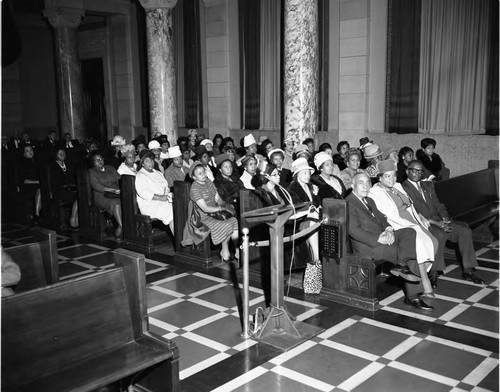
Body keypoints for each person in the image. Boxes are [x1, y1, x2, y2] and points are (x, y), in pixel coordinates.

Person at [347, 172, 433, 311]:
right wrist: (378, 238)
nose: (365, 186)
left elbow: (381, 218)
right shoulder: (349, 203)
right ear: (353, 186)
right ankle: (413, 297)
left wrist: (388, 230)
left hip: (383, 236)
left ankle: (401, 265)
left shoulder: (369, 200)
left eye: (368, 182)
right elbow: (354, 231)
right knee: (405, 252)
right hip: (368, 246)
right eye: (361, 183)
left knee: (409, 232)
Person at [402, 160, 485, 286]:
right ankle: (434, 272)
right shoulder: (403, 189)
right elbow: (413, 214)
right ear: (407, 171)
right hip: (424, 224)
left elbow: (438, 205)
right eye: (414, 170)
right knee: (440, 235)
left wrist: (445, 219)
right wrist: (436, 223)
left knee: (465, 232)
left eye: (420, 171)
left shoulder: (427, 185)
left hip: (439, 221)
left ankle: (468, 270)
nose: (418, 173)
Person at [369, 159, 438, 297]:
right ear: (380, 177)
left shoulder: (398, 186)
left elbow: (410, 205)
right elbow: (384, 215)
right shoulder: (375, 192)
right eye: (387, 176)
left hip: (412, 220)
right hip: (397, 224)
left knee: (434, 242)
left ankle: (418, 278)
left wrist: (419, 216)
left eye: (394, 175)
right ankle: (424, 283)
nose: (392, 179)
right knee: (420, 244)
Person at [186, 162, 239, 262]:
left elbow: (218, 199)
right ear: (194, 177)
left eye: (203, 172)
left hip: (215, 212)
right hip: (203, 216)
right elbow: (205, 208)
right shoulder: (195, 188)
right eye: (199, 173)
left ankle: (237, 251)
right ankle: (225, 251)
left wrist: (225, 206)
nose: (203, 175)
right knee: (226, 225)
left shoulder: (208, 181)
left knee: (234, 221)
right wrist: (220, 209)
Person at [287, 158, 322, 293]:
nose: (308, 176)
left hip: (312, 218)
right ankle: (316, 260)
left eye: (308, 173)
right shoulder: (292, 189)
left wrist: (315, 195)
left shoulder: (311, 186)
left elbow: (317, 204)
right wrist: (310, 211)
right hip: (298, 221)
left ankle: (317, 263)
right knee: (312, 224)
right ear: (297, 174)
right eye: (304, 173)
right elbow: (295, 209)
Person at [135, 151, 175, 234]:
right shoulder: (140, 175)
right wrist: (160, 197)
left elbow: (166, 186)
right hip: (150, 204)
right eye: (147, 161)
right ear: (142, 164)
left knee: (178, 206)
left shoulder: (158, 173)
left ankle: (183, 236)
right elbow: (143, 192)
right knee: (172, 210)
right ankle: (178, 238)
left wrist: (166, 194)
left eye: (152, 160)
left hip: (163, 200)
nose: (150, 163)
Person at [88, 152, 123, 240]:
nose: (100, 161)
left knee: (129, 200)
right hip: (101, 195)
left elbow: (119, 178)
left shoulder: (110, 168)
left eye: (101, 159)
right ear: (93, 162)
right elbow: (97, 186)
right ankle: (123, 226)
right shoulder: (92, 172)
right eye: (97, 160)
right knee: (116, 204)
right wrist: (113, 190)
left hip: (116, 193)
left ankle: (125, 226)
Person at [50, 149, 79, 228]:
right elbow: (53, 181)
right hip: (59, 190)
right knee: (78, 197)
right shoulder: (52, 166)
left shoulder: (68, 164)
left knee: (81, 195)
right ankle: (73, 219)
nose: (62, 154)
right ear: (56, 155)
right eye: (60, 153)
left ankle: (76, 219)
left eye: (63, 153)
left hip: (71, 189)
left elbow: (74, 177)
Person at [17, 145, 41, 224]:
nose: (30, 152)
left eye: (31, 150)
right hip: (28, 187)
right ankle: (36, 214)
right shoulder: (22, 164)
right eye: (27, 151)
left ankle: (37, 215)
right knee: (39, 190)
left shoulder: (37, 161)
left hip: (39, 185)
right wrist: (36, 182)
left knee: (41, 190)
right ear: (24, 154)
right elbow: (22, 180)